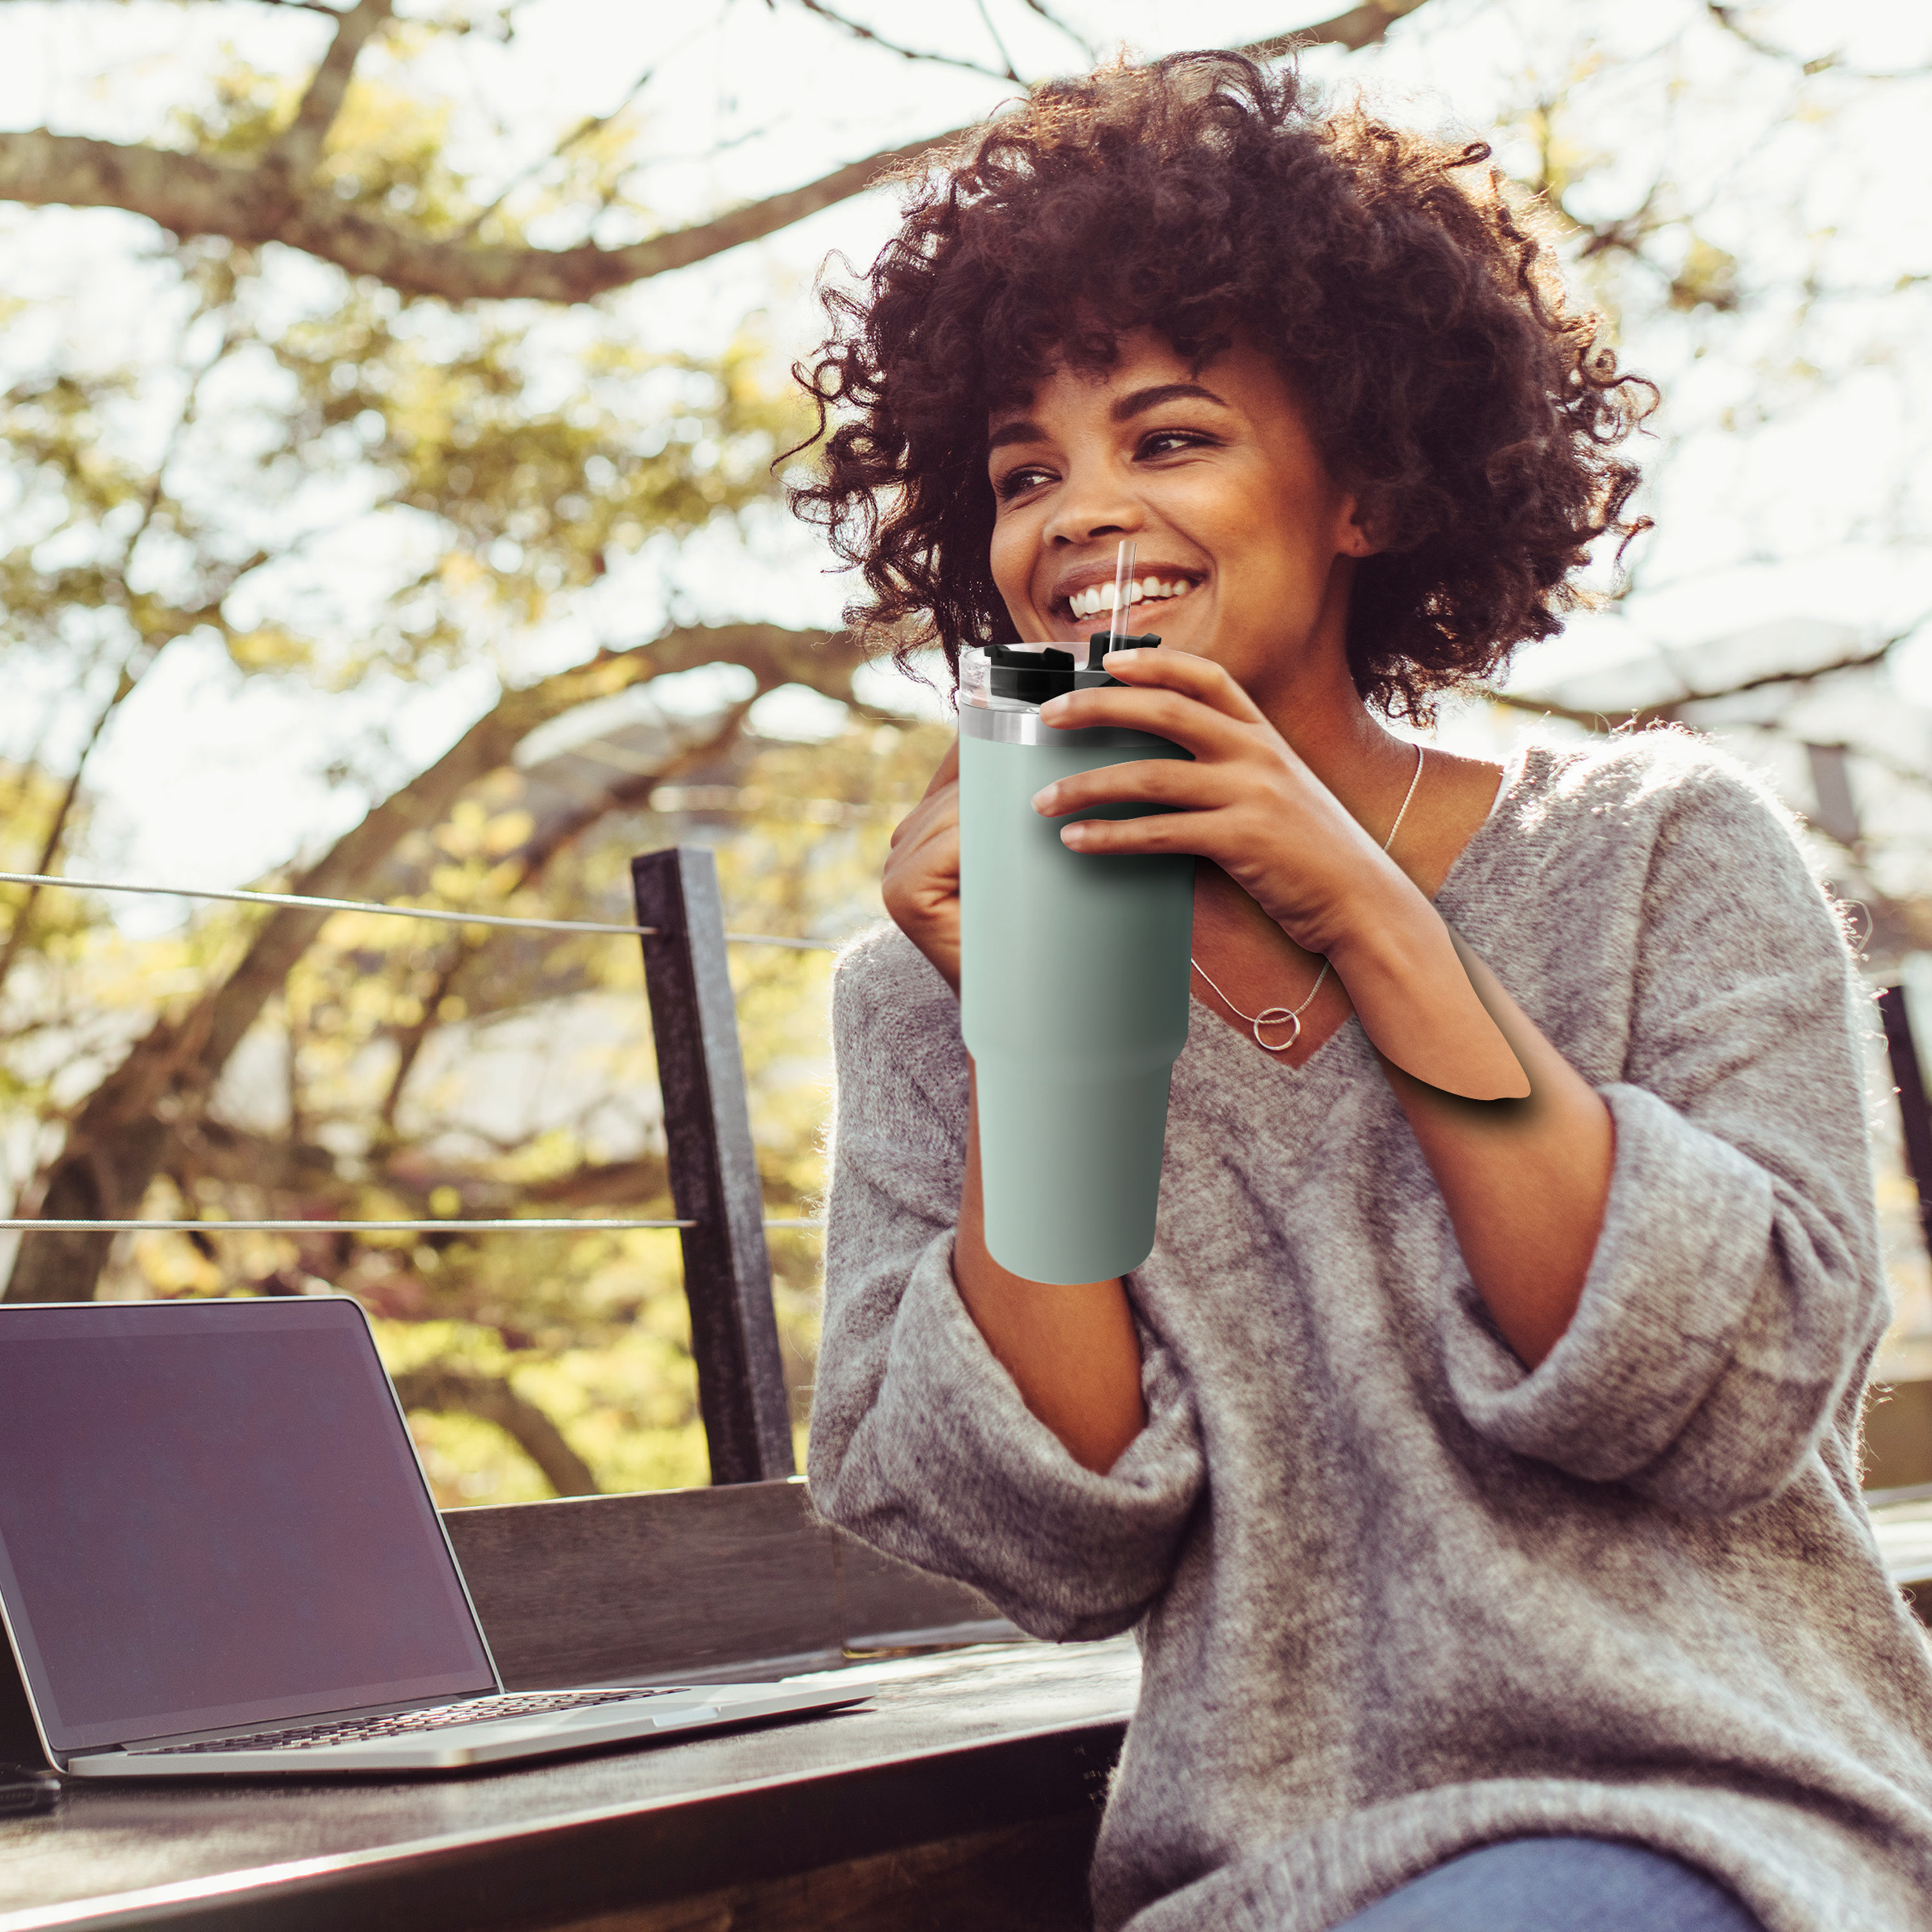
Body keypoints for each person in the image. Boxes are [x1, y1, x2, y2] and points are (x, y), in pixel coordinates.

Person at [790, 51, 1932, 1932]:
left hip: (1719, 1825)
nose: (1079, 511)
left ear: (1366, 494)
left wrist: (1366, 909)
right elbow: (1046, 1538)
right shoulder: (930, 997)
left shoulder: (1660, 851)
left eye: (1168, 439)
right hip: (1262, 1882)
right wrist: (1044, 1033)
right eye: (1023, 472)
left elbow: (1726, 1390)